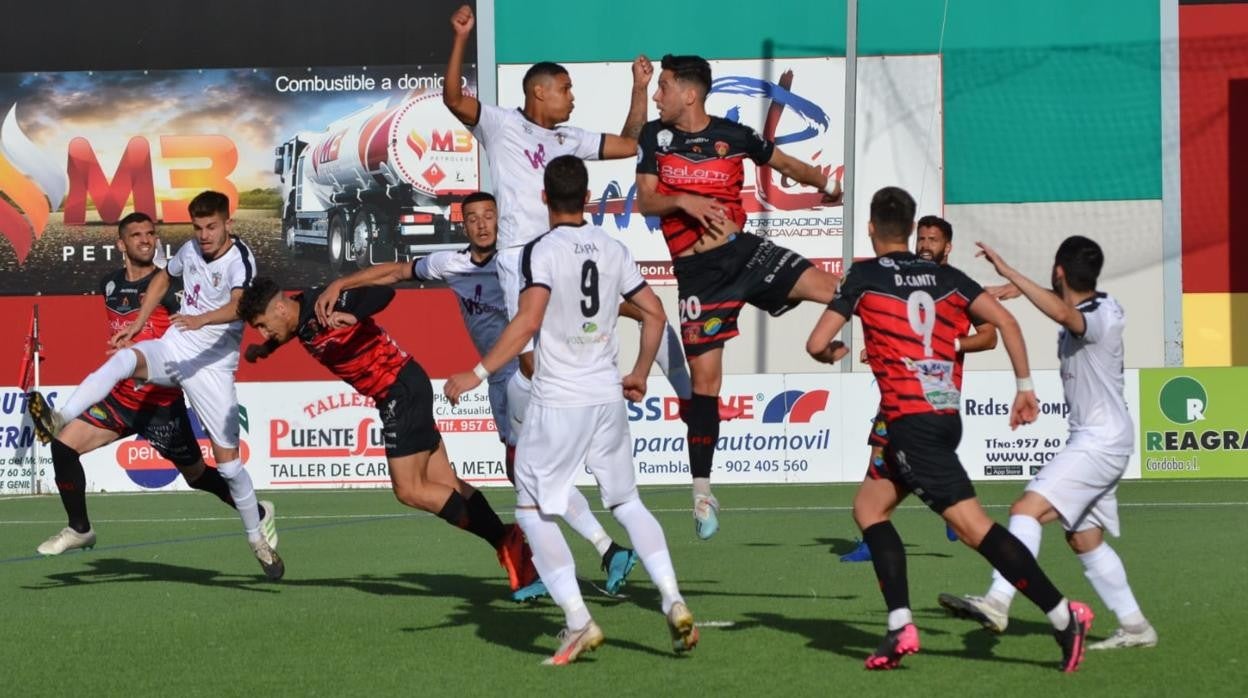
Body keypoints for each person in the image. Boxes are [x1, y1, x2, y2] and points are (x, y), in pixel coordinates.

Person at [806, 186, 1092, 672]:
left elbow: (816, 342)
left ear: (872, 227)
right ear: (911, 227)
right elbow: (1005, 323)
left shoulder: (865, 276)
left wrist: (830, 353)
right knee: (869, 508)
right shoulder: (949, 278)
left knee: (974, 528)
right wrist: (1024, 385)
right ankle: (899, 626)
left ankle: (1064, 616)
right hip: (930, 417)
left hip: (913, 422)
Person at [314, 192, 638, 600]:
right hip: (501, 382)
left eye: (489, 215)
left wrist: (639, 310)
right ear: (463, 224)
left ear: (501, 219)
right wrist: (343, 281)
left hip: (532, 375)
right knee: (526, 474)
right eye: (473, 218)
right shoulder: (453, 264)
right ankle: (591, 555)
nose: (483, 224)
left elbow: (577, 297)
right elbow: (396, 272)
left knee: (529, 473)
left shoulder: (523, 260)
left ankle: (581, 559)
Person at [445, 155, 697, 665]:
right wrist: (641, 371)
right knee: (627, 503)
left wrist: (475, 373)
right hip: (607, 395)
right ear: (586, 197)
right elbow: (653, 312)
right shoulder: (612, 247)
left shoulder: (541, 250)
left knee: (531, 510)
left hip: (560, 397)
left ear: (543, 199)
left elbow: (526, 322)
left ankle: (579, 620)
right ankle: (672, 599)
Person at [442, 4, 697, 466]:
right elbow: (455, 100)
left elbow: (630, 141)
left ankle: (688, 402)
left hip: (568, 250)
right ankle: (533, 444)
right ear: (539, 91)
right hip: (523, 257)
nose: (572, 97)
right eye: (565, 89)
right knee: (530, 358)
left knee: (647, 309)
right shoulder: (501, 125)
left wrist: (639, 89)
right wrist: (460, 38)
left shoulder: (568, 137)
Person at [634, 54, 844, 538]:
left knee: (839, 290)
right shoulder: (654, 137)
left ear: (690, 92)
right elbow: (646, 199)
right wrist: (684, 200)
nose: (658, 94)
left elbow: (784, 162)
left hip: (746, 254)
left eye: (663, 86)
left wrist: (828, 185)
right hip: (698, 275)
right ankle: (702, 495)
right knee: (706, 385)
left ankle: (846, 348)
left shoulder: (734, 135)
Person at [29, 192, 281, 579]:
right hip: (174, 351)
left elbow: (240, 304)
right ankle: (60, 416)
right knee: (124, 360)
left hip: (210, 368)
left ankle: (256, 537)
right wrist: (136, 322)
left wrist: (201, 320)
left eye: (211, 226)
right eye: (197, 228)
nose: (204, 235)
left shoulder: (239, 258)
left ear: (228, 223)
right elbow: (165, 275)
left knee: (224, 469)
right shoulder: (188, 250)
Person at [239, 277, 537, 596]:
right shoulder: (299, 314)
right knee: (447, 483)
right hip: (406, 386)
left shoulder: (326, 304)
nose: (262, 332)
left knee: (409, 490)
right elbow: (296, 329)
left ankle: (508, 541)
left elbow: (384, 293)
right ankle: (518, 556)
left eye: (262, 326)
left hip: (399, 390)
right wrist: (266, 347)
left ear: (280, 309)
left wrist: (354, 314)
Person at [938, 236, 1157, 651]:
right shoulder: (1095, 303)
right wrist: (1015, 289)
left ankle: (999, 598)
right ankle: (1135, 626)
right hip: (1099, 437)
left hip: (1100, 440)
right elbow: (1062, 302)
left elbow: (1063, 312)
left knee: (1026, 510)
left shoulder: (1100, 315)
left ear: (1059, 272)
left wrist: (1009, 273)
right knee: (1083, 539)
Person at [841, 215, 998, 561]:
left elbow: (990, 337)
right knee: (882, 450)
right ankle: (880, 532)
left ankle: (942, 512)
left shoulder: (955, 285)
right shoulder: (909, 282)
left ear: (948, 246)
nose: (926, 245)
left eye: (934, 240)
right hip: (898, 385)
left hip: (933, 391)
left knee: (901, 455)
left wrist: (950, 344)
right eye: (922, 239)